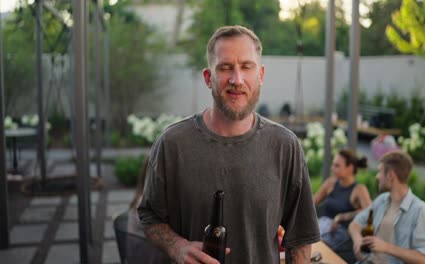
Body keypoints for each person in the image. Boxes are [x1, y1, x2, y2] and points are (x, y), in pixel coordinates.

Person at [137, 25, 320, 264]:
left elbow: (301, 237)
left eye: (246, 67)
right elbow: (149, 216)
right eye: (225, 68)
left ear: (261, 75)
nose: (236, 79)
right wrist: (177, 246)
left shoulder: (285, 146)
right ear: (208, 77)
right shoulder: (173, 144)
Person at [348, 150, 425, 264]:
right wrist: (358, 241)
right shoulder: (382, 200)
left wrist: (387, 247)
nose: (377, 176)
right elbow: (355, 224)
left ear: (390, 175)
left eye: (380, 171)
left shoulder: (420, 210)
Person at [313, 149, 371, 250]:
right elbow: (310, 204)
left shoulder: (359, 189)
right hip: (321, 228)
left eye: (337, 166)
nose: (332, 168)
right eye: (333, 165)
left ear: (350, 168)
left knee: (313, 245)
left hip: (338, 235)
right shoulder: (330, 183)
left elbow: (370, 212)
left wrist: (343, 216)